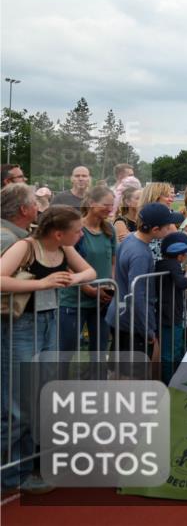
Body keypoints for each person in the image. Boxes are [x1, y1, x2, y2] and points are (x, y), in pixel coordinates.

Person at [1, 205, 96, 494]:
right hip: (20, 327)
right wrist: (42, 284)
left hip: (48, 323)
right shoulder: (24, 247)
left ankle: (22, 470)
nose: (81, 234)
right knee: (17, 405)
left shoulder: (65, 250)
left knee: (37, 398)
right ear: (58, 233)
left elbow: (90, 272)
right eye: (77, 230)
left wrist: (73, 278)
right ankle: (10, 472)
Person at [104, 202, 184, 359]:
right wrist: (147, 329)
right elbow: (137, 295)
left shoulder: (129, 240)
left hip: (121, 315)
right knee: (130, 374)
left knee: (119, 369)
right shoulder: (140, 254)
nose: (170, 230)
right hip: (132, 322)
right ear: (155, 230)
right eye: (167, 227)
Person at [58, 186, 116, 353]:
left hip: (102, 301)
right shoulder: (76, 230)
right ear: (91, 203)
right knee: (65, 352)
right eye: (106, 204)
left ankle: (96, 379)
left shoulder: (109, 230)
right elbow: (67, 265)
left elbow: (113, 262)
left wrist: (110, 287)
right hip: (74, 301)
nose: (110, 209)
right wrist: (89, 290)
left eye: (112, 205)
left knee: (100, 350)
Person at [155, 231, 187, 384]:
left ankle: (176, 380)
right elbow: (182, 284)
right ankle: (170, 383)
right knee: (170, 353)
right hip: (170, 317)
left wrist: (184, 272)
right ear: (180, 256)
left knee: (176, 350)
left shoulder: (164, 264)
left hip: (169, 315)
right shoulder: (172, 265)